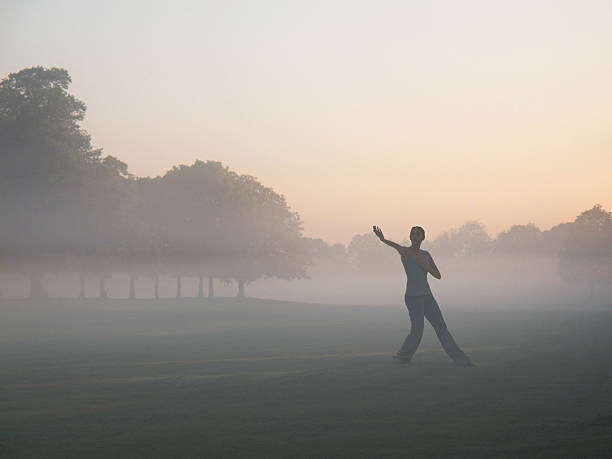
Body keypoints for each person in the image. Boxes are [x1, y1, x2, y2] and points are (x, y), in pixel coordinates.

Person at [373, 225, 475, 366]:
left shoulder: (426, 255)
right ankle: (402, 357)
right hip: (413, 298)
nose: (414, 236)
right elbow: (395, 246)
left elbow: (438, 275)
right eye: (412, 234)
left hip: (427, 297)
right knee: (417, 330)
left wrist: (424, 265)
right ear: (410, 237)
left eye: (417, 234)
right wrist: (383, 239)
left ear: (422, 238)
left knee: (441, 328)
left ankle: (462, 360)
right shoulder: (406, 252)